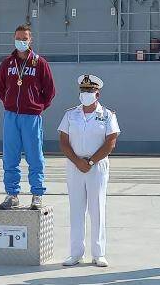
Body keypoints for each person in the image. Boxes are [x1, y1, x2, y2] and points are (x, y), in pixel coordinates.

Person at [58, 75, 120, 267]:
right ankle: (75, 253)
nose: (86, 94)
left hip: (97, 166)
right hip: (75, 166)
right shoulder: (70, 115)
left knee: (97, 209)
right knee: (76, 209)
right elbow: (63, 141)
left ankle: (99, 253)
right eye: (83, 91)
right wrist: (78, 161)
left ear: (97, 94)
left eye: (89, 91)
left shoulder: (108, 115)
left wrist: (91, 161)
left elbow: (111, 142)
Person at [0, 24, 56, 210]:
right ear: (14, 39)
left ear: (31, 40)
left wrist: (37, 107)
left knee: (35, 156)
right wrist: (9, 103)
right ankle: (12, 194)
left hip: (31, 117)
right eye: (18, 38)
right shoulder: (7, 63)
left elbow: (50, 91)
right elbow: (0, 87)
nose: (21, 41)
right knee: (10, 157)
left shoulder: (40, 63)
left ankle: (37, 194)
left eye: (24, 38)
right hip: (11, 116)